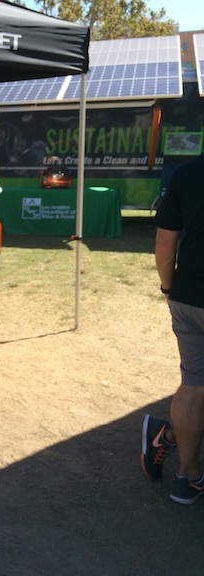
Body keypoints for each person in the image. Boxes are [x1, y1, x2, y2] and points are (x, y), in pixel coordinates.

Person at [142, 152, 204, 505]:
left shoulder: (186, 175)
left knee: (195, 382)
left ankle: (187, 473)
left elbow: (165, 243)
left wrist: (168, 289)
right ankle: (167, 442)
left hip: (189, 298)